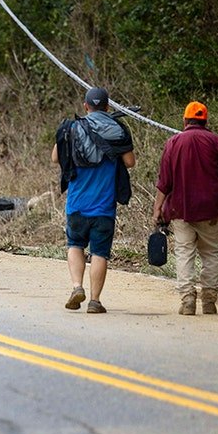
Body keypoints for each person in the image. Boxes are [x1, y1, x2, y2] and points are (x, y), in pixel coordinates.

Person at [51, 86, 136, 314]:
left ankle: (77, 287)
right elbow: (130, 162)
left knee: (74, 245)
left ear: (85, 106)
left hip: (76, 204)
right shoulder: (117, 128)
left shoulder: (71, 129)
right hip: (104, 207)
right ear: (108, 107)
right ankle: (95, 301)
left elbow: (55, 157)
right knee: (99, 253)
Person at [152, 101, 218, 315]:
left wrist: (157, 208)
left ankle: (188, 299)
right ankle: (209, 301)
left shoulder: (174, 142)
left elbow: (165, 181)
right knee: (211, 254)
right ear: (205, 121)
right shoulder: (217, 142)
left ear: (184, 120)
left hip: (181, 211)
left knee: (184, 252)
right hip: (211, 210)